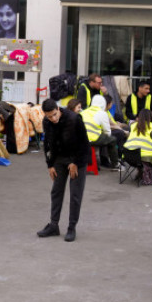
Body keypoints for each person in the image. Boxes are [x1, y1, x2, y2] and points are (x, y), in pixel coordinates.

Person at [38, 98, 90, 242]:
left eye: (54, 115)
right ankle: (53, 225)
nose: (53, 119)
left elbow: (85, 144)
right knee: (56, 191)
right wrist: (50, 165)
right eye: (49, 116)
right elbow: (47, 144)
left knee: (75, 194)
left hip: (77, 159)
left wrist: (75, 163)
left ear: (58, 109)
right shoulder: (46, 122)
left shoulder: (74, 119)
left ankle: (71, 227)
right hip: (59, 158)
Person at [81, 93, 118, 170]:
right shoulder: (102, 113)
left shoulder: (83, 112)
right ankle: (115, 164)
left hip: (81, 139)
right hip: (93, 139)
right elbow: (107, 132)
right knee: (112, 140)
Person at [123, 109, 152, 182]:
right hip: (144, 158)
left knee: (139, 155)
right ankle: (147, 175)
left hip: (128, 156)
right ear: (150, 117)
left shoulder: (133, 125)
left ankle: (140, 173)